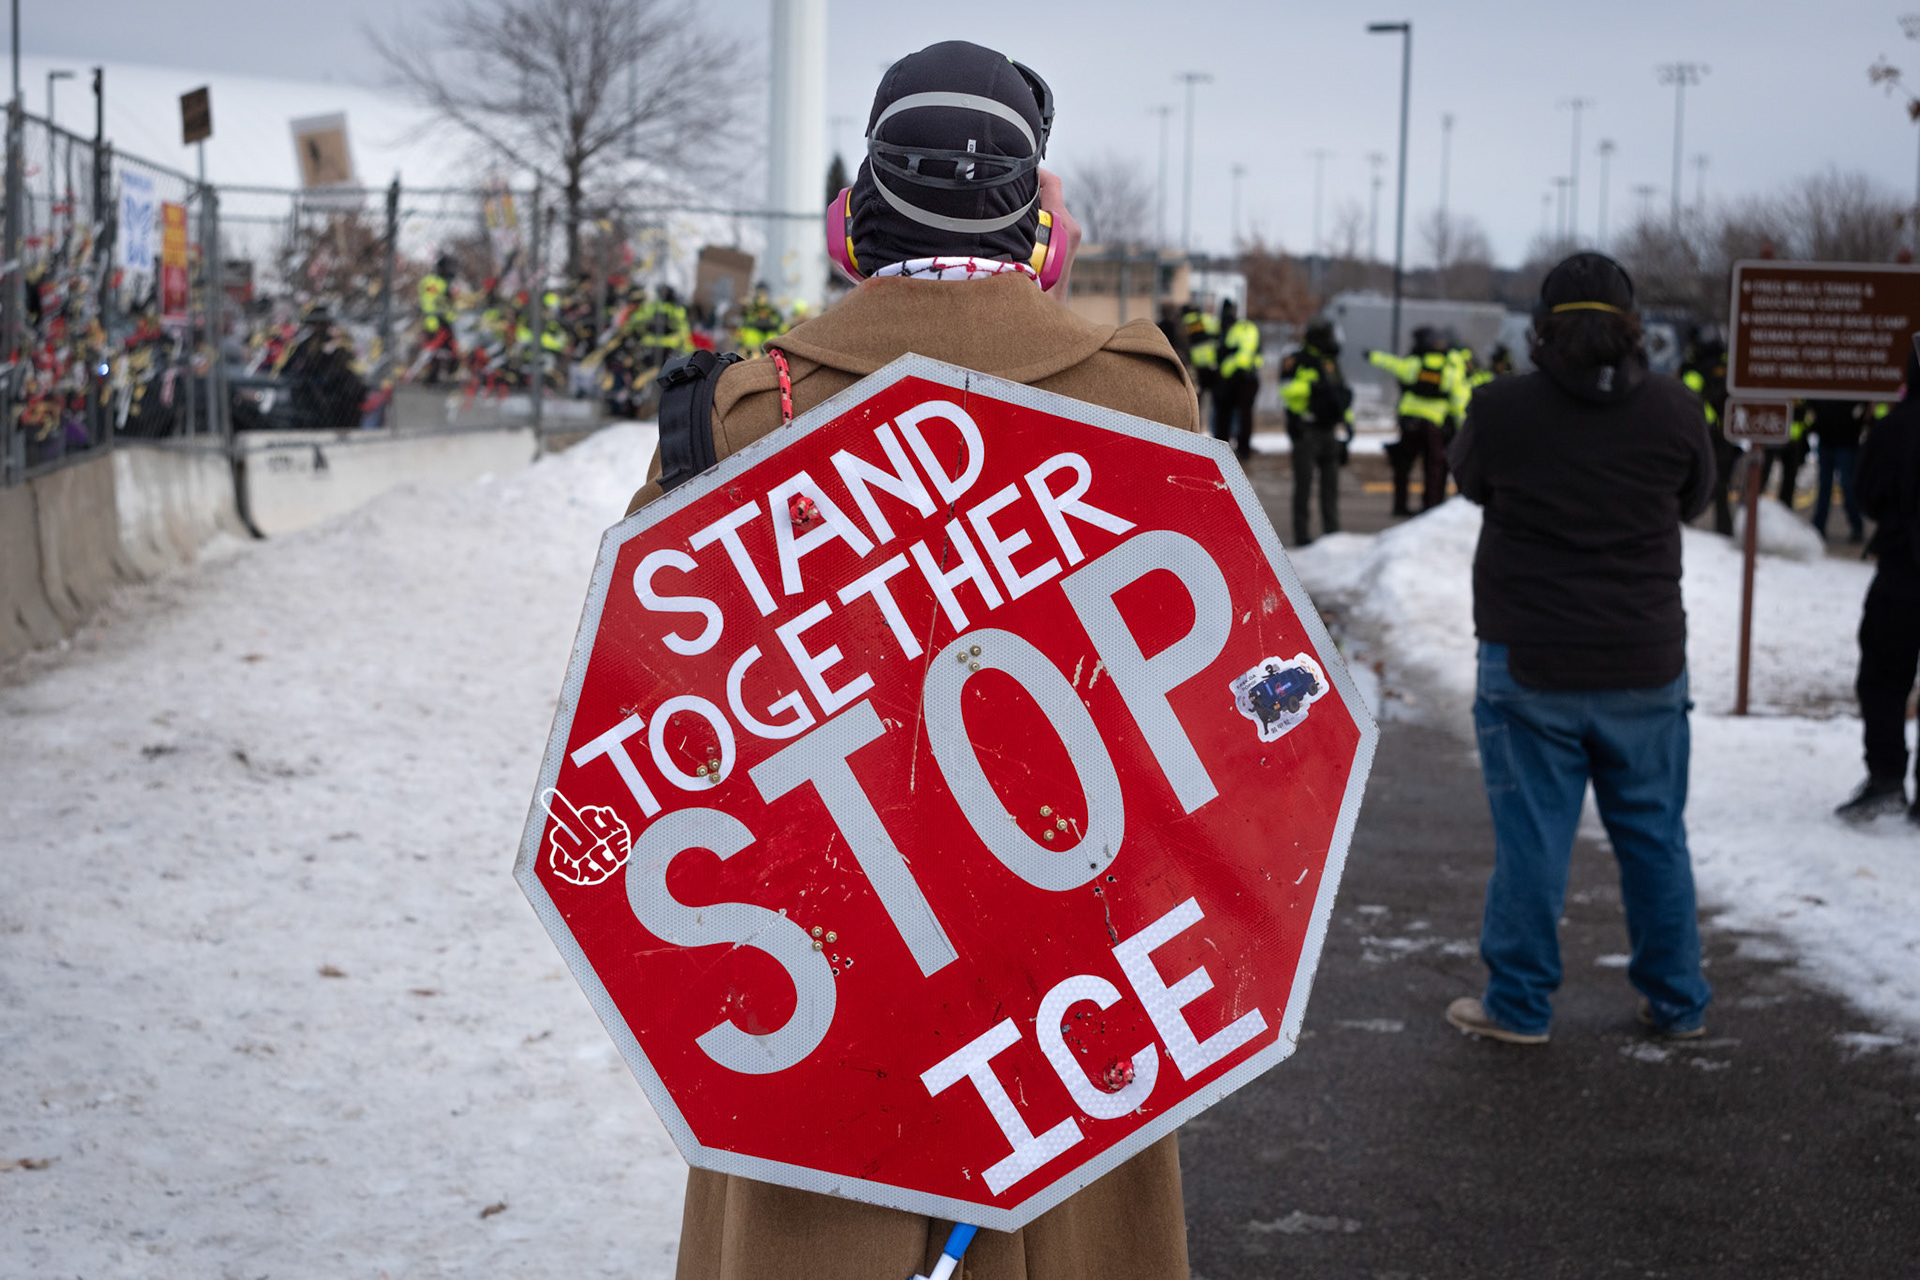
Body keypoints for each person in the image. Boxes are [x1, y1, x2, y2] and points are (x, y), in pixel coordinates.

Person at [627, 40, 1197, 1280]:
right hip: (1072, 976)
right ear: (1042, 226)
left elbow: (642, 708)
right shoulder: (1144, 403)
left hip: (821, 975)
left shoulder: (737, 415)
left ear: (854, 220)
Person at [1444, 252, 1717, 1045]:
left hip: (1530, 664)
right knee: (1655, 838)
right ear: (1634, 326)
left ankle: (1519, 1005)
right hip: (1646, 663)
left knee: (1533, 845)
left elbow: (1469, 481)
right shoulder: (1676, 408)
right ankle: (1678, 1000)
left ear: (1541, 327)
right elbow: (1696, 496)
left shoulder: (1502, 408)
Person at [1836, 343, 1920, 823]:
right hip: (1901, 565)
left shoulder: (1893, 429)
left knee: (1884, 679)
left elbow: (1866, 495)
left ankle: (1887, 776)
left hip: (1902, 570)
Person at [1370, 326, 1459, 515]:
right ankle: (1431, 507)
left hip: (1411, 422)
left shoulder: (1415, 363)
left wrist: (1373, 356)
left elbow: (1393, 364)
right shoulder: (1449, 369)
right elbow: (1458, 398)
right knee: (1434, 468)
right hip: (1435, 424)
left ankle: (1400, 506)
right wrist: (1458, 423)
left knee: (1403, 465)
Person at [1279, 317, 1353, 544]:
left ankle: (1332, 534)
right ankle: (1301, 534)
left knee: (1331, 486)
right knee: (1304, 485)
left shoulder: (1330, 362)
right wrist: (1311, 388)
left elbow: (1340, 396)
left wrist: (1348, 424)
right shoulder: (1296, 359)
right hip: (1306, 430)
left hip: (1330, 431)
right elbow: (1285, 390)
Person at [1678, 331, 1735, 534]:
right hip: (1725, 432)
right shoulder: (1727, 365)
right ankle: (1724, 528)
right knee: (1720, 484)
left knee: (1700, 480)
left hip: (1703, 431)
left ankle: (1686, 520)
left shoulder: (1696, 367)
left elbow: (1687, 395)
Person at [1803, 400, 1866, 543]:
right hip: (1826, 440)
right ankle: (1819, 526)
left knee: (1847, 486)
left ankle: (1856, 525)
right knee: (1824, 487)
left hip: (1846, 442)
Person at [1213, 298, 1261, 460]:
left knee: (1233, 415)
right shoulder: (1242, 328)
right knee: (1234, 415)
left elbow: (1239, 354)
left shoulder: (1240, 329)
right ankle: (1234, 449)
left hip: (1239, 377)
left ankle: (1233, 449)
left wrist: (1229, 371)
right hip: (1239, 377)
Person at [1181, 298, 1219, 420]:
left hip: (1196, 364)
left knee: (1197, 398)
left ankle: (1198, 423)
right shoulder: (1209, 321)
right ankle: (1208, 424)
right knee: (1214, 400)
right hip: (1211, 364)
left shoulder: (1187, 322)